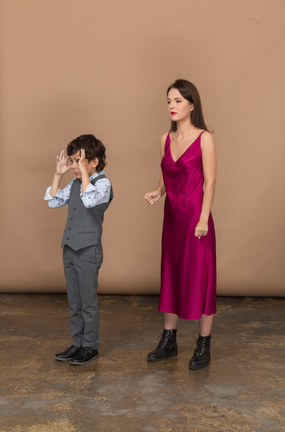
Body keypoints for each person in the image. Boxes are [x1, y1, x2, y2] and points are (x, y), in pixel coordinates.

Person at [145, 79, 216, 370]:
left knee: (201, 277)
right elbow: (167, 170)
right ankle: (169, 340)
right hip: (172, 218)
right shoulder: (165, 138)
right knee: (171, 275)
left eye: (177, 101)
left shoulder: (205, 138)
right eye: (169, 101)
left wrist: (203, 218)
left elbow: (210, 180)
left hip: (195, 218)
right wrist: (158, 191)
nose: (172, 106)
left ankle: (203, 344)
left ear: (191, 104)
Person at [44, 134, 113, 365]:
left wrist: (83, 173)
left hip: (88, 250)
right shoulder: (74, 183)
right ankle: (77, 343)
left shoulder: (103, 184)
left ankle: (90, 346)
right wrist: (57, 174)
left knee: (88, 302)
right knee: (75, 301)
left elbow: (90, 200)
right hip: (70, 248)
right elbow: (53, 202)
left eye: (78, 160)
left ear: (94, 161)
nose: (74, 165)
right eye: (72, 161)